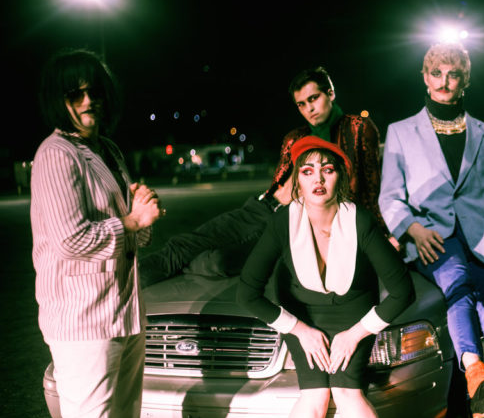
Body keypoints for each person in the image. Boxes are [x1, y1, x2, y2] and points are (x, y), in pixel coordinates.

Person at [139, 66, 385, 287]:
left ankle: (186, 265)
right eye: (301, 104)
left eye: (314, 98)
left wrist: (378, 235)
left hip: (295, 225)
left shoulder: (358, 128)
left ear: (330, 93)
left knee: (220, 262)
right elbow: (278, 182)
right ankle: (123, 282)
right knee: (182, 245)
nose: (309, 108)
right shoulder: (295, 138)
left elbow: (369, 188)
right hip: (261, 207)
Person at [378, 42, 484, 418]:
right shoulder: (401, 132)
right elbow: (390, 197)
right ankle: (476, 376)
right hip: (433, 241)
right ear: (425, 78)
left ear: (465, 81)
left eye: (453, 74)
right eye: (437, 73)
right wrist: (412, 228)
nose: (444, 81)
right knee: (457, 283)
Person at [237, 136, 415, 418]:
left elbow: (403, 291)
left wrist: (356, 334)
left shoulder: (360, 220)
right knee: (315, 395)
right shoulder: (282, 222)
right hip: (303, 316)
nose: (318, 179)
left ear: (340, 177)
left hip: (353, 314)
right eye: (307, 171)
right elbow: (247, 293)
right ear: (297, 181)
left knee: (347, 393)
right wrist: (299, 330)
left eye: (327, 170)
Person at [31, 48, 163, 418]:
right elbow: (71, 240)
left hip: (125, 312)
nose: (89, 100)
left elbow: (134, 237)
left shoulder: (108, 150)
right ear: (57, 100)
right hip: (84, 321)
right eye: (76, 94)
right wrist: (133, 221)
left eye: (95, 91)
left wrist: (142, 214)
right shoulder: (57, 153)